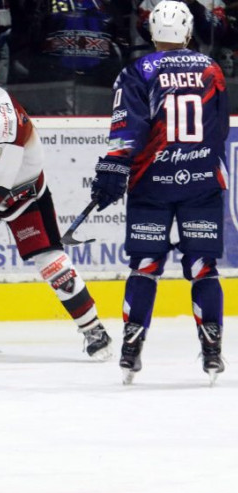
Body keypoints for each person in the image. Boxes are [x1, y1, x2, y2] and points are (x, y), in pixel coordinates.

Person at [0, 40, 113, 361]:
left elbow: (0, 183)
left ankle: (92, 328)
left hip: (21, 191)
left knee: (50, 262)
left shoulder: (4, 118)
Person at [90, 0, 229, 384]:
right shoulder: (211, 69)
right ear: (187, 32)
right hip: (202, 182)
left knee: (146, 266)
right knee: (203, 267)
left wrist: (115, 168)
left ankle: (131, 349)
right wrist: (197, 161)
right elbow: (218, 129)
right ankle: (212, 349)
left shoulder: (137, 70)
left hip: (152, 183)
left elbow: (127, 129)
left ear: (150, 32)